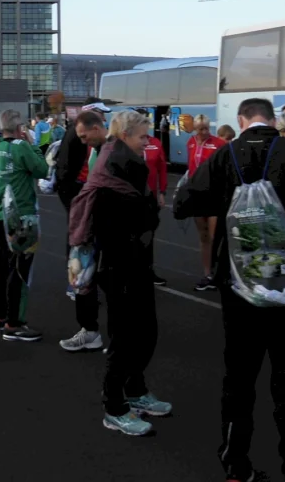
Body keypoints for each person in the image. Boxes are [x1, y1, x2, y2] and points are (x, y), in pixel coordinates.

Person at [176, 98, 285, 482]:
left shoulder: (224, 156)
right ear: (272, 118)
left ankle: (236, 463)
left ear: (241, 119)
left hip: (239, 289)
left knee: (239, 379)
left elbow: (185, 202)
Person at [68, 110, 169, 437]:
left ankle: (136, 390)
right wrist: (149, 213)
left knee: (144, 331)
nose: (148, 142)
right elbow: (133, 219)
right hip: (120, 265)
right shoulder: (117, 166)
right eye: (143, 136)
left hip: (132, 261)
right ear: (125, 134)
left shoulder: (120, 161)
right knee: (126, 337)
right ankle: (114, 406)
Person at [0, 108, 50, 342]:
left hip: (1, 215)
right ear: (20, 128)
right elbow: (43, 169)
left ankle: (0, 316)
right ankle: (14, 322)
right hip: (23, 218)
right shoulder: (21, 147)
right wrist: (32, 145)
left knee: (1, 266)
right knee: (20, 270)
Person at [59, 109, 110, 352]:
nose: (81, 141)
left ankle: (113, 336)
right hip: (87, 226)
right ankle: (90, 331)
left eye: (83, 136)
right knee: (82, 279)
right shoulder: (97, 150)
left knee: (106, 281)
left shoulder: (113, 152)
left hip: (102, 227)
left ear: (96, 127)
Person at [188, 114, 227, 292]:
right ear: (195, 129)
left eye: (206, 128)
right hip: (197, 195)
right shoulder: (190, 142)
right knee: (203, 237)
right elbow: (190, 167)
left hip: (214, 195)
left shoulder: (218, 143)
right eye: (200, 129)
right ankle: (207, 273)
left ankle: (219, 273)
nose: (204, 132)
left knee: (214, 236)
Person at [141, 122, 168, 286]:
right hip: (132, 197)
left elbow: (162, 169)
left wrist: (162, 192)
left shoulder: (155, 143)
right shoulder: (128, 142)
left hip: (150, 197)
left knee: (149, 237)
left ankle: (148, 271)